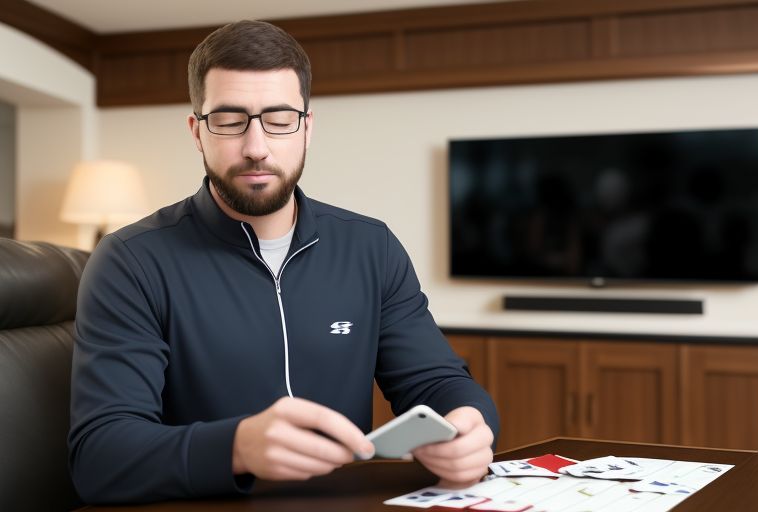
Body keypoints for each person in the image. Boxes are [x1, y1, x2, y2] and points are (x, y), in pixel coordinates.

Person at [68, 20, 499, 504]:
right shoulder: (130, 261)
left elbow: (437, 381)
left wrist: (470, 423)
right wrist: (237, 448)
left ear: (307, 127)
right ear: (197, 131)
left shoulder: (371, 247)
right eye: (230, 120)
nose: (256, 147)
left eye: (279, 119)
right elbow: (99, 457)